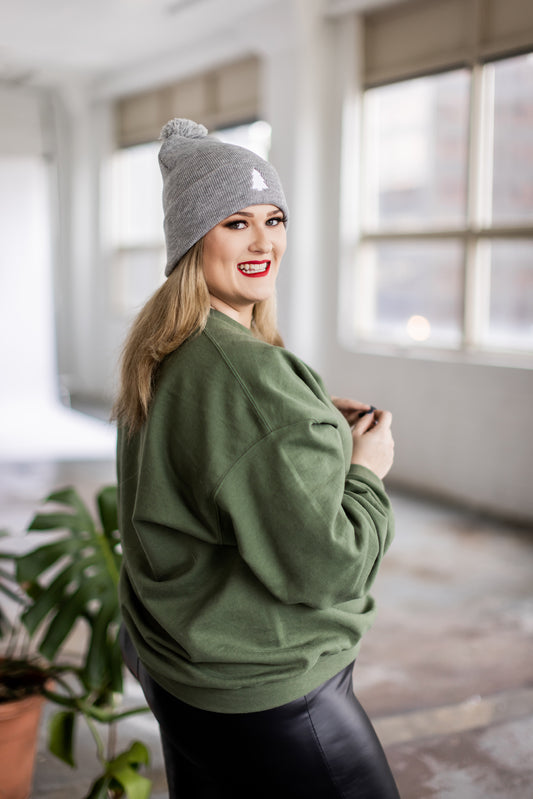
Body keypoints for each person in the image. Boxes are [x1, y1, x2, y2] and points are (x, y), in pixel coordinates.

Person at [114, 118, 400, 799]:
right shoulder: (247, 381)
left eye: (273, 219)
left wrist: (305, 424)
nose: (263, 240)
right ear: (192, 236)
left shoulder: (165, 348)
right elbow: (327, 568)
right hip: (271, 689)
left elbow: (214, 446)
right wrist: (365, 471)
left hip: (180, 667)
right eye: (233, 223)